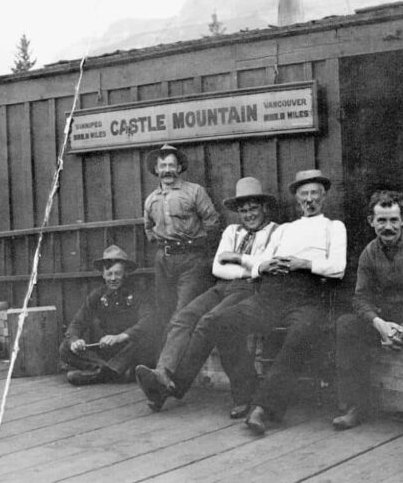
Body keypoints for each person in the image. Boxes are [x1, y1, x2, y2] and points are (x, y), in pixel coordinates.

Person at [139, 169, 346, 434]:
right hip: (273, 292)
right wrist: (257, 264)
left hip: (309, 294)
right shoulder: (287, 230)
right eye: (304, 194)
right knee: (221, 321)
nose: (309, 200)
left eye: (314, 194)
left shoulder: (333, 227)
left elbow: (337, 268)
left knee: (298, 335)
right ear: (297, 199)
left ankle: (263, 408)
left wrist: (302, 263)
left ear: (324, 197)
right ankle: (180, 384)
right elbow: (260, 263)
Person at [135, 176, 279, 418]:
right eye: (243, 210)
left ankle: (175, 386)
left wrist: (241, 264)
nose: (249, 215)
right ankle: (163, 372)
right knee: (184, 316)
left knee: (209, 321)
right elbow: (218, 267)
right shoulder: (232, 231)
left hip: (249, 290)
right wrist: (251, 264)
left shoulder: (275, 232)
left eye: (253, 208)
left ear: (263, 208)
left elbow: (265, 267)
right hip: (221, 286)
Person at [333, 190, 403, 439]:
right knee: (347, 325)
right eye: (382, 220)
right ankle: (355, 406)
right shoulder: (369, 253)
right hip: (386, 323)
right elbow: (360, 298)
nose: (388, 227)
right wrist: (379, 324)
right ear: (371, 222)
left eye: (394, 220)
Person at [143, 144, 221, 343]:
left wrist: (198, 250)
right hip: (164, 260)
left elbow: (212, 222)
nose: (167, 170)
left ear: (179, 168)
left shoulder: (194, 192)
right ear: (156, 170)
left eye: (171, 165)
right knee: (165, 309)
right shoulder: (151, 199)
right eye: (163, 166)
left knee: (183, 310)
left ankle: (170, 364)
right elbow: (149, 228)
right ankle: (165, 359)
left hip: (192, 259)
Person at [59, 245, 158, 386]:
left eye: (117, 273)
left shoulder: (138, 293)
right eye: (109, 273)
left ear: (125, 273)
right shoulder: (97, 296)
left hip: (132, 349)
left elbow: (149, 321)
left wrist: (120, 337)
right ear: (103, 274)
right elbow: (77, 324)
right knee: (65, 348)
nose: (113, 278)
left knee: (145, 339)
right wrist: (75, 341)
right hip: (109, 351)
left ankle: (102, 374)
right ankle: (112, 372)